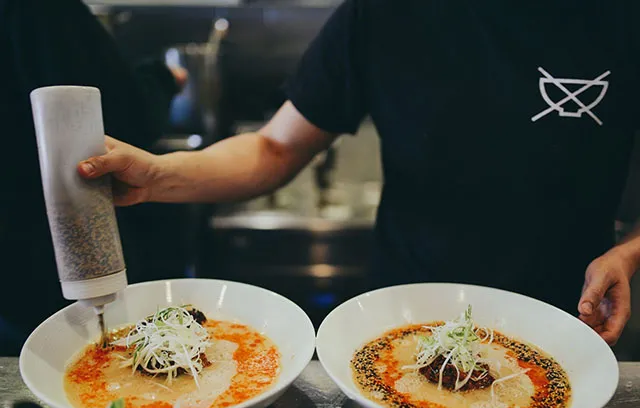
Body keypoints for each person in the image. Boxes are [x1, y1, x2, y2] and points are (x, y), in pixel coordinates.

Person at [78, 0, 639, 346]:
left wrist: (629, 253)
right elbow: (275, 147)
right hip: (405, 323)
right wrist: (156, 175)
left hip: (568, 325)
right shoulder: (385, 12)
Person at [0, 0, 186, 354]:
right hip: (54, 240)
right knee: (81, 351)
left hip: (12, 253)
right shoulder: (43, 10)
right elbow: (123, 118)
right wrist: (162, 78)